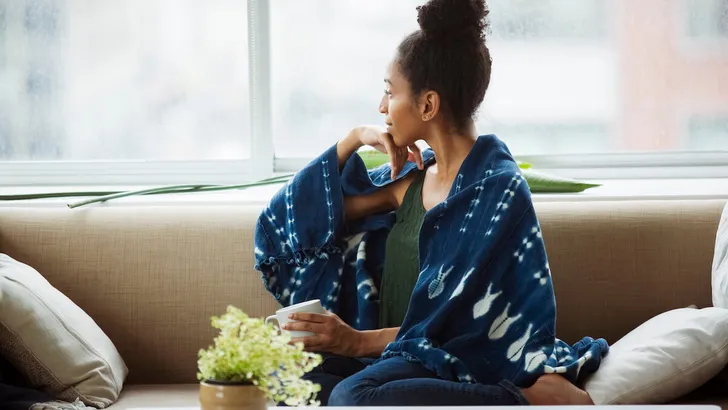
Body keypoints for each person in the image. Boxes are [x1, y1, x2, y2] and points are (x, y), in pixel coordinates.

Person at [254, 0, 608, 406]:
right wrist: (351, 139)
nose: (381, 108)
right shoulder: (407, 183)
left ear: (427, 105)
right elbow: (288, 228)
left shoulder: (497, 193)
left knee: (353, 398)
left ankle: (530, 400)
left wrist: (354, 342)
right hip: (387, 359)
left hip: (449, 362)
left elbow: (461, 332)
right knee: (276, 382)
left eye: (389, 92)